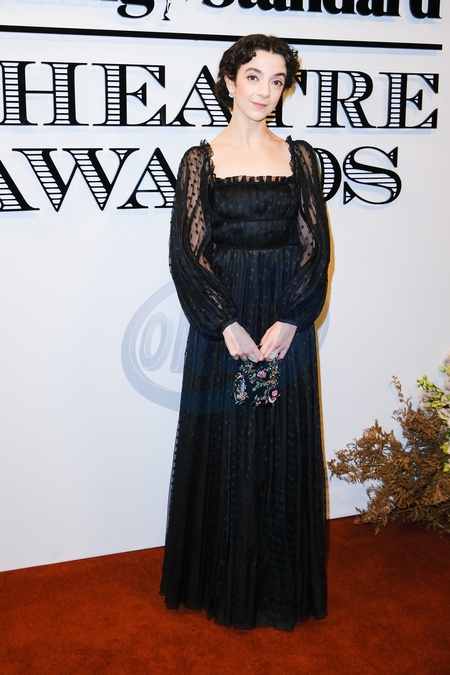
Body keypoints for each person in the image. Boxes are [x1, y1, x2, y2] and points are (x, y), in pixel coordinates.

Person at [160, 34, 330, 631]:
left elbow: (316, 248)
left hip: (285, 320)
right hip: (225, 323)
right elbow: (187, 253)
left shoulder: (302, 157)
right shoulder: (199, 160)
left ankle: (278, 584)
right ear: (230, 81)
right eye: (254, 77)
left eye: (277, 80)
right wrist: (223, 323)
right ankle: (222, 581)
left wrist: (292, 319)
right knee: (227, 444)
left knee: (281, 440)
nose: (265, 91)